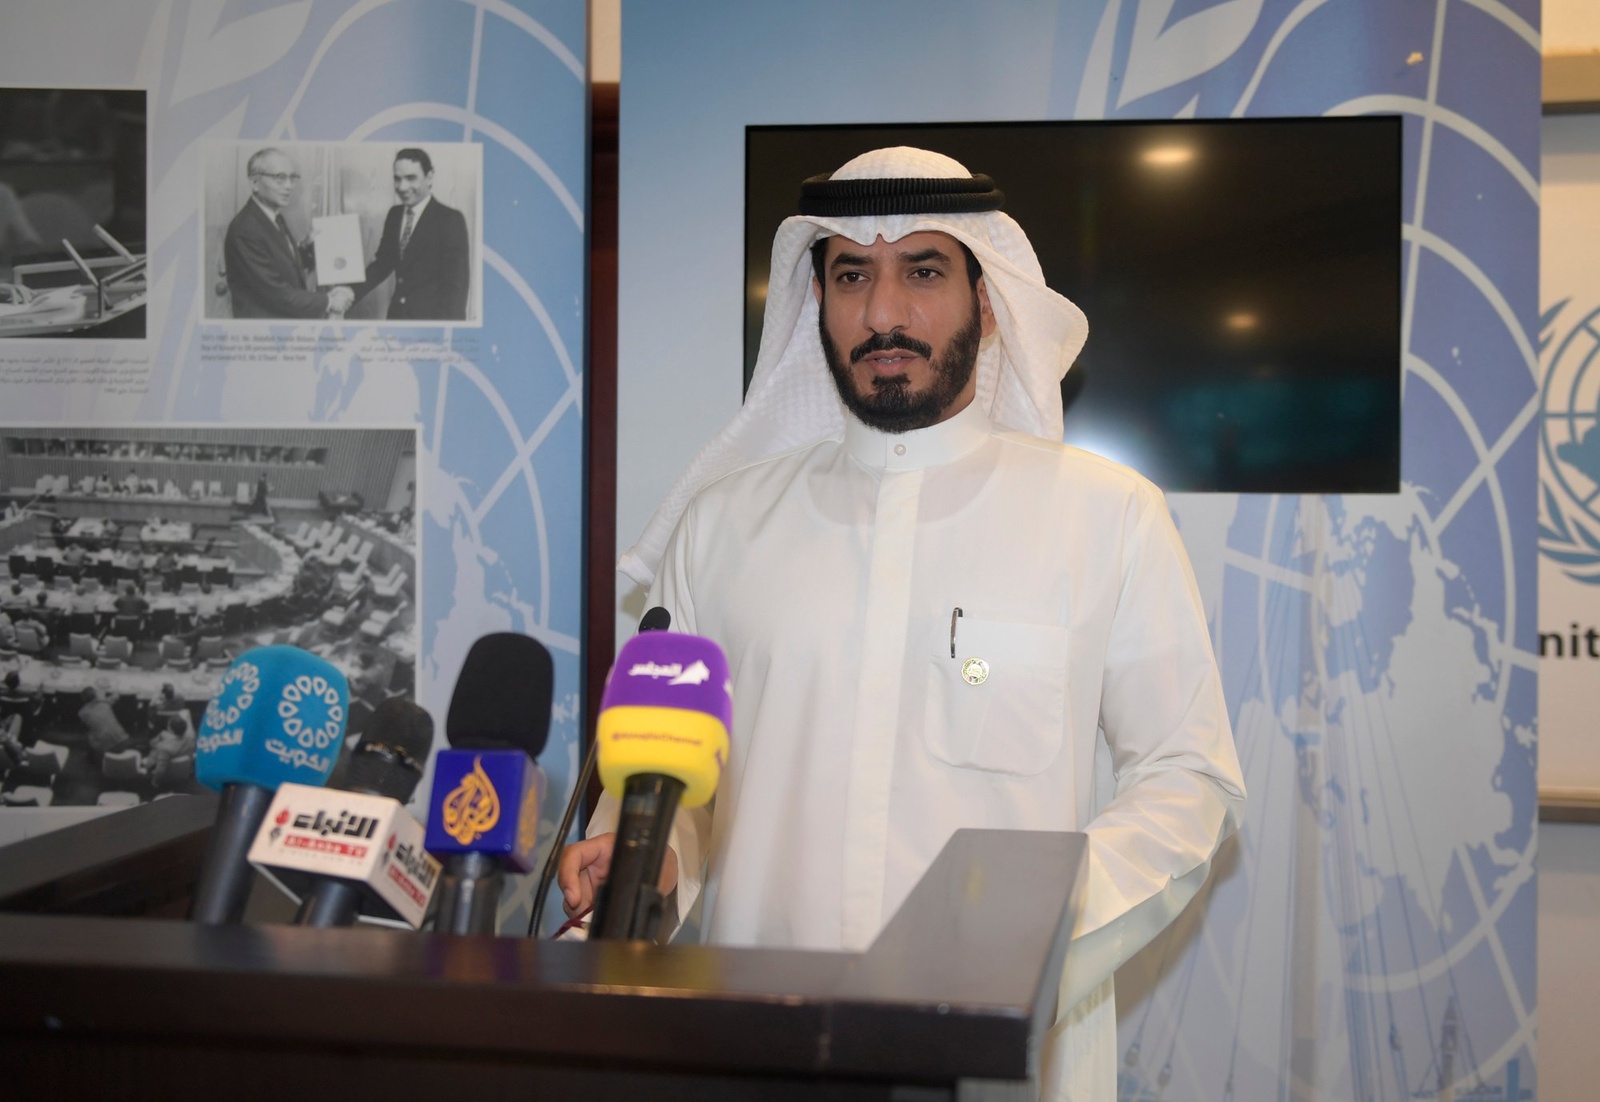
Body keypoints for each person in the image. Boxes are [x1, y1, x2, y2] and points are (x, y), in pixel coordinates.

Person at [559, 147, 1247, 1101]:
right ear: (817, 302)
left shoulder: (1106, 518)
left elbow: (1188, 777)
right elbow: (679, 786)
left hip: (1002, 1064)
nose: (884, 312)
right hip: (758, 1047)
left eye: (923, 271)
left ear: (987, 302)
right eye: (852, 276)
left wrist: (1037, 931)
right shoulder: (721, 528)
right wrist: (654, 862)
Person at [222, 147, 353, 319]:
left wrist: (307, 247)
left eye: (292, 178)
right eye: (280, 178)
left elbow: (281, 265)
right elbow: (275, 293)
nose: (289, 186)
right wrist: (329, 301)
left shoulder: (274, 217)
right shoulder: (245, 229)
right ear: (255, 183)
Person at [349, 148, 470, 321]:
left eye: (411, 178)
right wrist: (349, 292)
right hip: (396, 320)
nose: (402, 187)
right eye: (397, 179)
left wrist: (448, 332)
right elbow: (382, 264)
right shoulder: (394, 214)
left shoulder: (450, 219)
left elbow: (456, 289)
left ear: (429, 177)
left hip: (430, 324)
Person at [143, 713, 195, 787]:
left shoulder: (164, 748)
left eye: (168, 725)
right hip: (184, 774)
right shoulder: (191, 741)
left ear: (170, 729)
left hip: (166, 778)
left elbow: (160, 770)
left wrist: (155, 782)